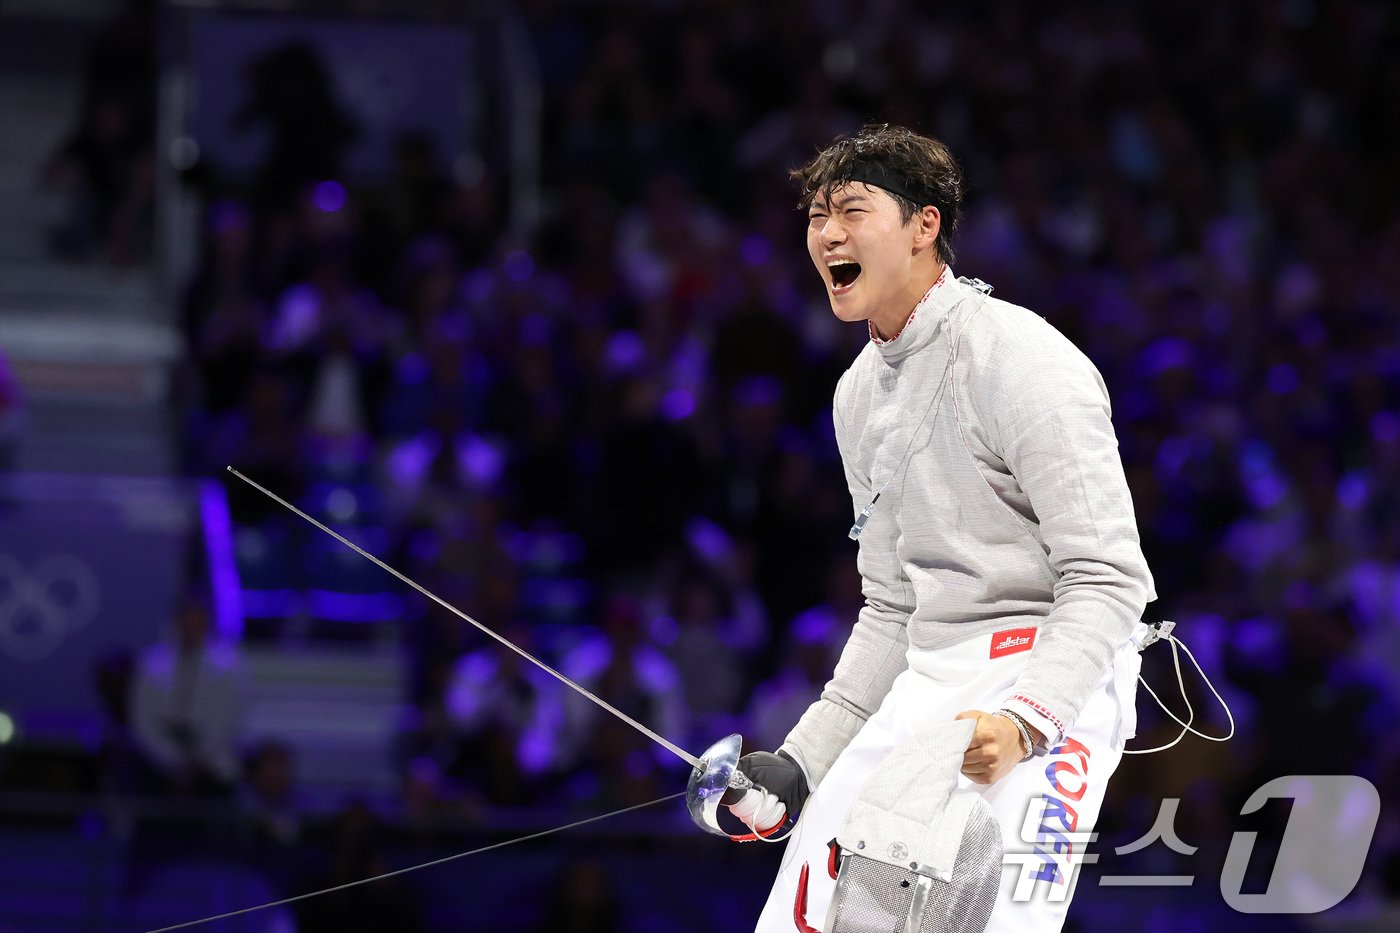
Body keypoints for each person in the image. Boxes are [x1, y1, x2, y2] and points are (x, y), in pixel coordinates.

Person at [724, 124, 1156, 932]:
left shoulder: (1020, 357)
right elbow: (892, 606)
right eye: (817, 216)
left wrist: (1028, 720)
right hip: (930, 675)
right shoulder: (858, 394)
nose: (828, 234)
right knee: (801, 917)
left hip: (1051, 678)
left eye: (853, 210)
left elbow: (1108, 577)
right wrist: (800, 760)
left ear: (925, 225)